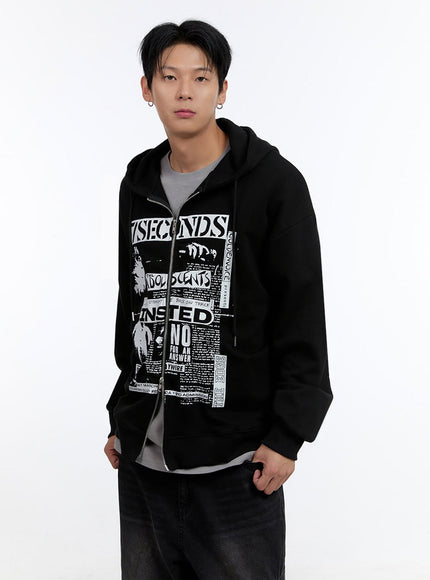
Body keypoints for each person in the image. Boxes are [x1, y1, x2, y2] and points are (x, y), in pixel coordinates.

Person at [104, 19, 333, 580]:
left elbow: (301, 313)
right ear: (147, 88)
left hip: (236, 467)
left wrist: (288, 436)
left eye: (201, 78)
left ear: (222, 89)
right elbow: (134, 302)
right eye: (169, 77)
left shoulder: (274, 183)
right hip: (143, 467)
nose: (185, 91)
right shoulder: (137, 182)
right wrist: (122, 412)